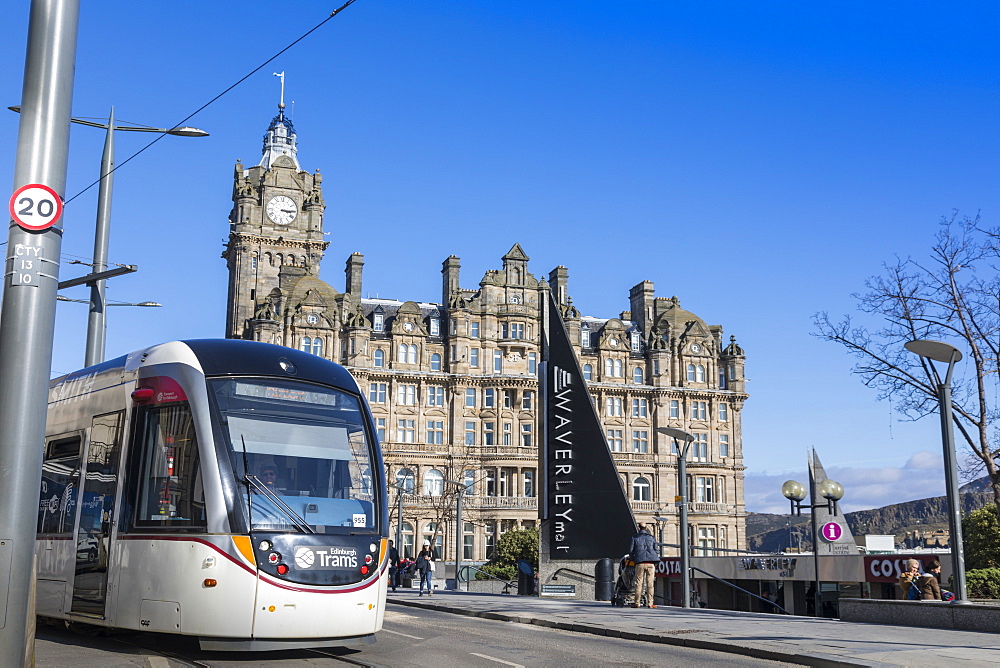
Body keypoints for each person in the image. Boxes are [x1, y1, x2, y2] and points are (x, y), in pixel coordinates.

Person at [628, 522, 659, 608]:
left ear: (639, 528)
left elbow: (631, 551)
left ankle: (637, 603)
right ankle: (650, 603)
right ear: (645, 528)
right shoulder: (652, 538)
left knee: (638, 583)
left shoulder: (634, 538)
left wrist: (634, 559)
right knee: (650, 583)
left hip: (640, 563)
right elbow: (656, 550)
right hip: (651, 563)